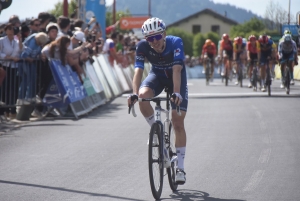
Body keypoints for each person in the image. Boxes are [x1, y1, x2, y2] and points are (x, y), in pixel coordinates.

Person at [127, 17, 188, 184]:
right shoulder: (142, 46)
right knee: (142, 97)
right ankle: (157, 132)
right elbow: (138, 71)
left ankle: (180, 168)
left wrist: (176, 93)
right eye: (149, 38)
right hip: (157, 76)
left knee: (178, 122)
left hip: (176, 78)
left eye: (156, 37)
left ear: (164, 34)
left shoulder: (175, 42)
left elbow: (176, 70)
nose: (154, 42)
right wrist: (134, 93)